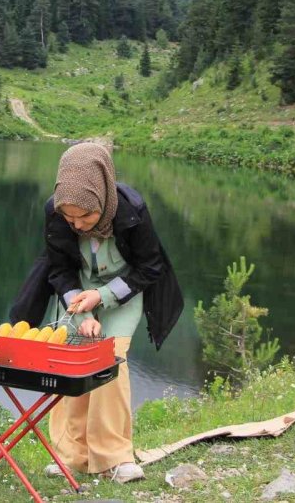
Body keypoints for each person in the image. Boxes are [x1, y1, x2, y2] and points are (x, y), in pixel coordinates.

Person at [10, 142, 183, 484]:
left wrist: (102, 297)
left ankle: (114, 457)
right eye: (69, 218)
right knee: (71, 362)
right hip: (78, 287)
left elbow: (150, 268)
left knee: (110, 362)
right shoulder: (57, 212)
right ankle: (71, 456)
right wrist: (81, 309)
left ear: (102, 198)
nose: (77, 225)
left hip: (124, 288)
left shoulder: (132, 210)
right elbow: (58, 269)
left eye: (85, 217)